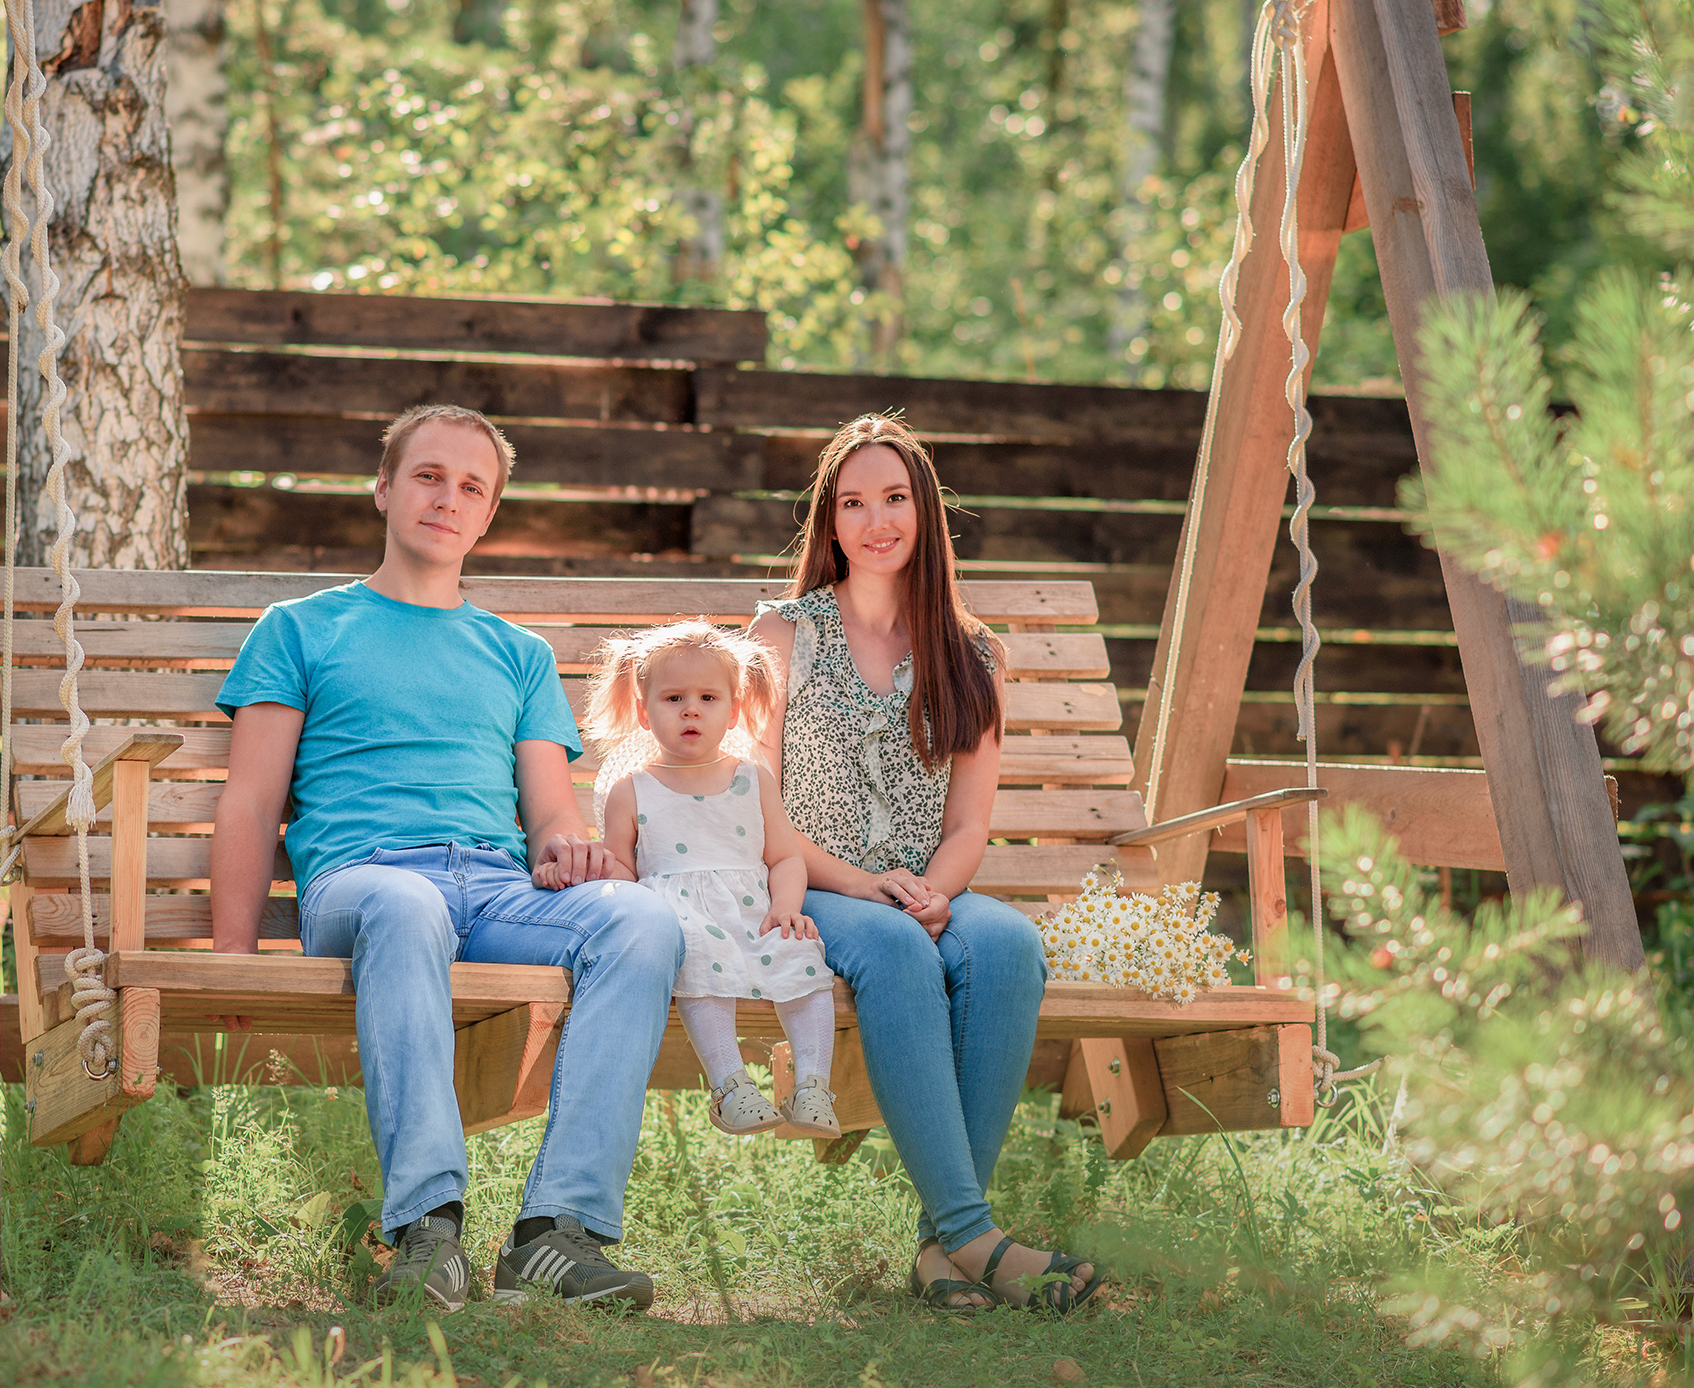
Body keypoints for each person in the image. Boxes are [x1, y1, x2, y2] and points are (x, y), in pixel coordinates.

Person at [209, 403, 682, 1314]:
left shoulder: (518, 654)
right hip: (367, 883)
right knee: (407, 904)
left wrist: (563, 845)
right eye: (428, 476)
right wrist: (234, 958)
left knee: (640, 921)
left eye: (472, 487)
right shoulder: (301, 629)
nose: (447, 498)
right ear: (385, 489)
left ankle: (556, 1234)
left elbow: (550, 811)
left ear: (489, 514)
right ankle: (429, 1232)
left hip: (497, 891)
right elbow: (252, 801)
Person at [747, 413, 1104, 1314]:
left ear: (925, 512)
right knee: (899, 950)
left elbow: (970, 822)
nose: (876, 520)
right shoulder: (784, 634)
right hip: (810, 881)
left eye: (895, 498)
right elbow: (757, 802)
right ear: (830, 522)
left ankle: (943, 1254)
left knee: (1009, 944)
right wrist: (867, 887)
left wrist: (936, 893)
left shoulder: (972, 653)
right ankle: (974, 1236)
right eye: (853, 502)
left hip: (926, 885)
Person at [565, 621, 840, 1139]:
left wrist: (786, 907)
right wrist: (599, 873)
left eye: (708, 698)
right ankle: (731, 1086)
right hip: (680, 920)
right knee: (696, 958)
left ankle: (812, 1085)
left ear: (733, 711)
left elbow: (785, 857)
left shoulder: (753, 779)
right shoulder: (632, 790)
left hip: (753, 913)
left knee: (801, 956)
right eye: (673, 698)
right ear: (644, 712)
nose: (691, 710)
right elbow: (623, 870)